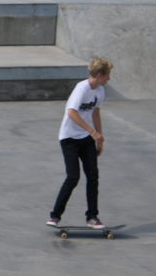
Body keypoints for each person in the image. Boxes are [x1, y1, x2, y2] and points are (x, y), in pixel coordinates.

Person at [47, 57, 113, 229]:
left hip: (86, 138)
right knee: (73, 177)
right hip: (68, 138)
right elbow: (71, 113)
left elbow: (95, 113)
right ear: (99, 75)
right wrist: (92, 131)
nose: (109, 79)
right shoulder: (81, 88)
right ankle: (55, 216)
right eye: (107, 76)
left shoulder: (100, 91)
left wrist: (99, 137)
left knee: (93, 176)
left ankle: (92, 217)